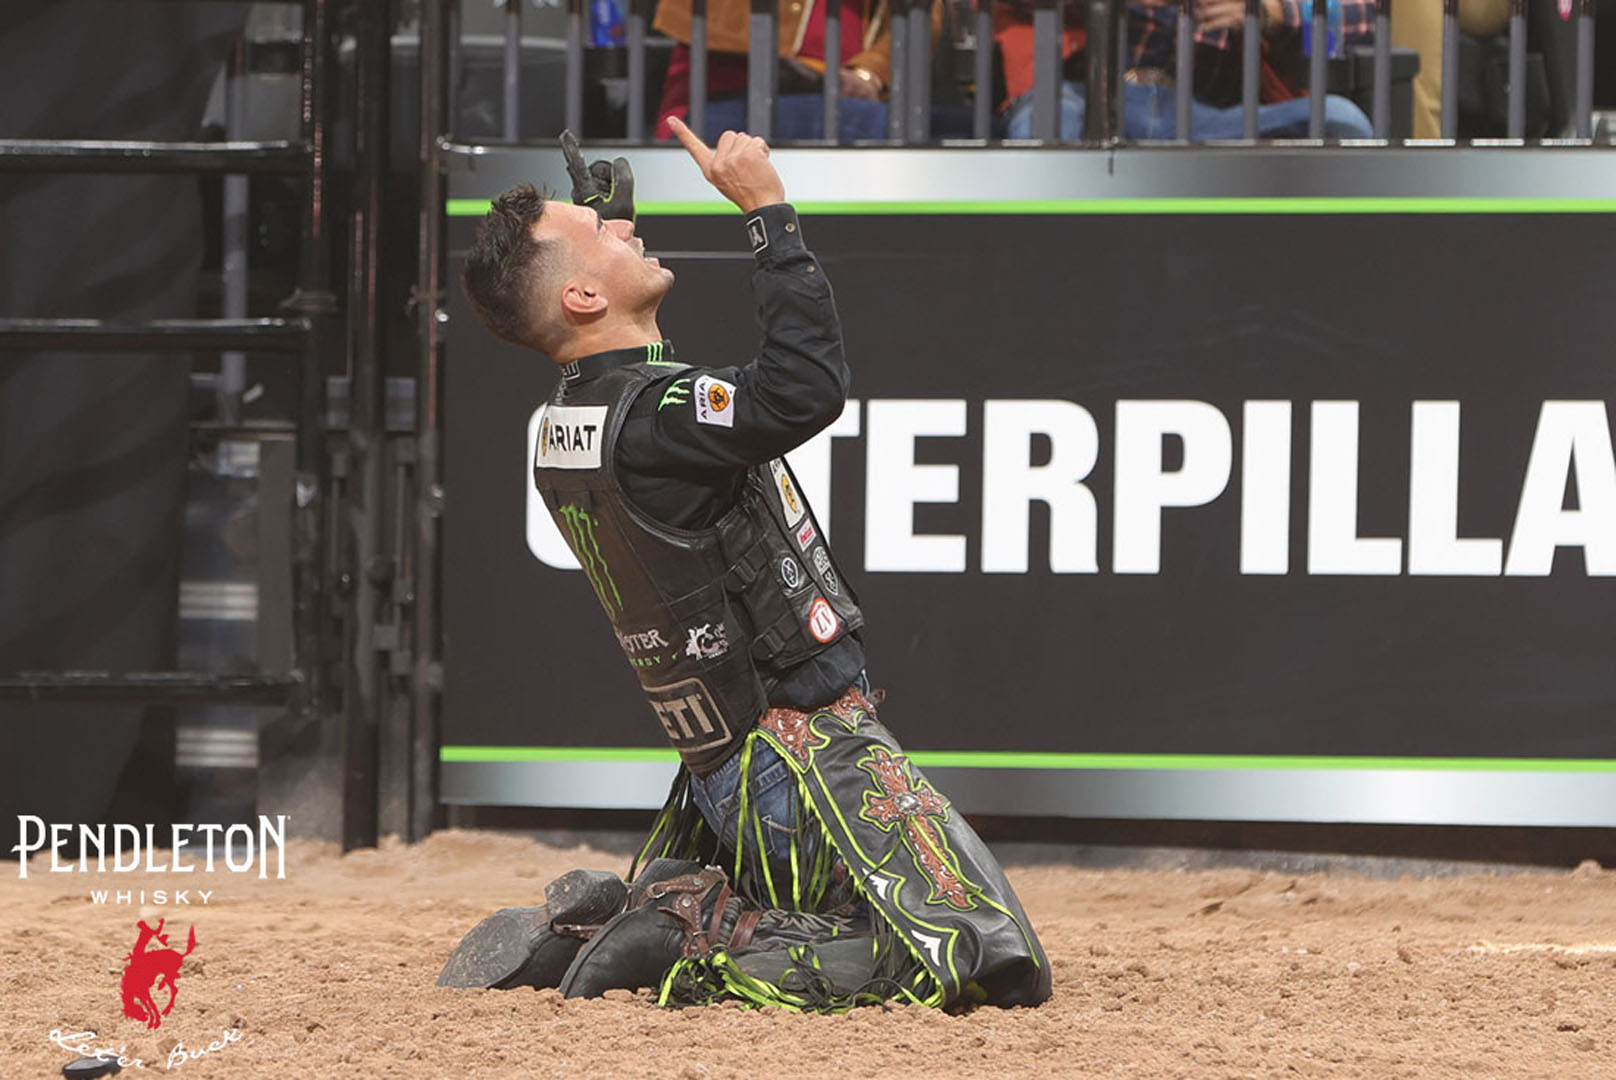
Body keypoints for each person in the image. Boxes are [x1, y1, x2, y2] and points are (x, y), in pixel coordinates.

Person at [438, 126, 1051, 1011]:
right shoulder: (656, 419)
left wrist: (603, 225)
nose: (626, 231)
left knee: (942, 933)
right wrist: (767, 211)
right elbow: (801, 388)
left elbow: (621, 362)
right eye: (604, 234)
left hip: (730, 767)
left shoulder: (575, 424)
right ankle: (693, 932)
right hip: (798, 762)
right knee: (981, 958)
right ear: (580, 294)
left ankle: (598, 928)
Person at [995, 0, 1376, 139]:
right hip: (1090, 99)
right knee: (1046, 118)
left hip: (1211, 117)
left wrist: (1269, 12)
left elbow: (1359, 19)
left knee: (1342, 120)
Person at [651, 0, 942, 141]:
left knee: (940, 130)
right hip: (729, 89)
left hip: (849, 97)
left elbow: (926, 13)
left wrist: (870, 72)